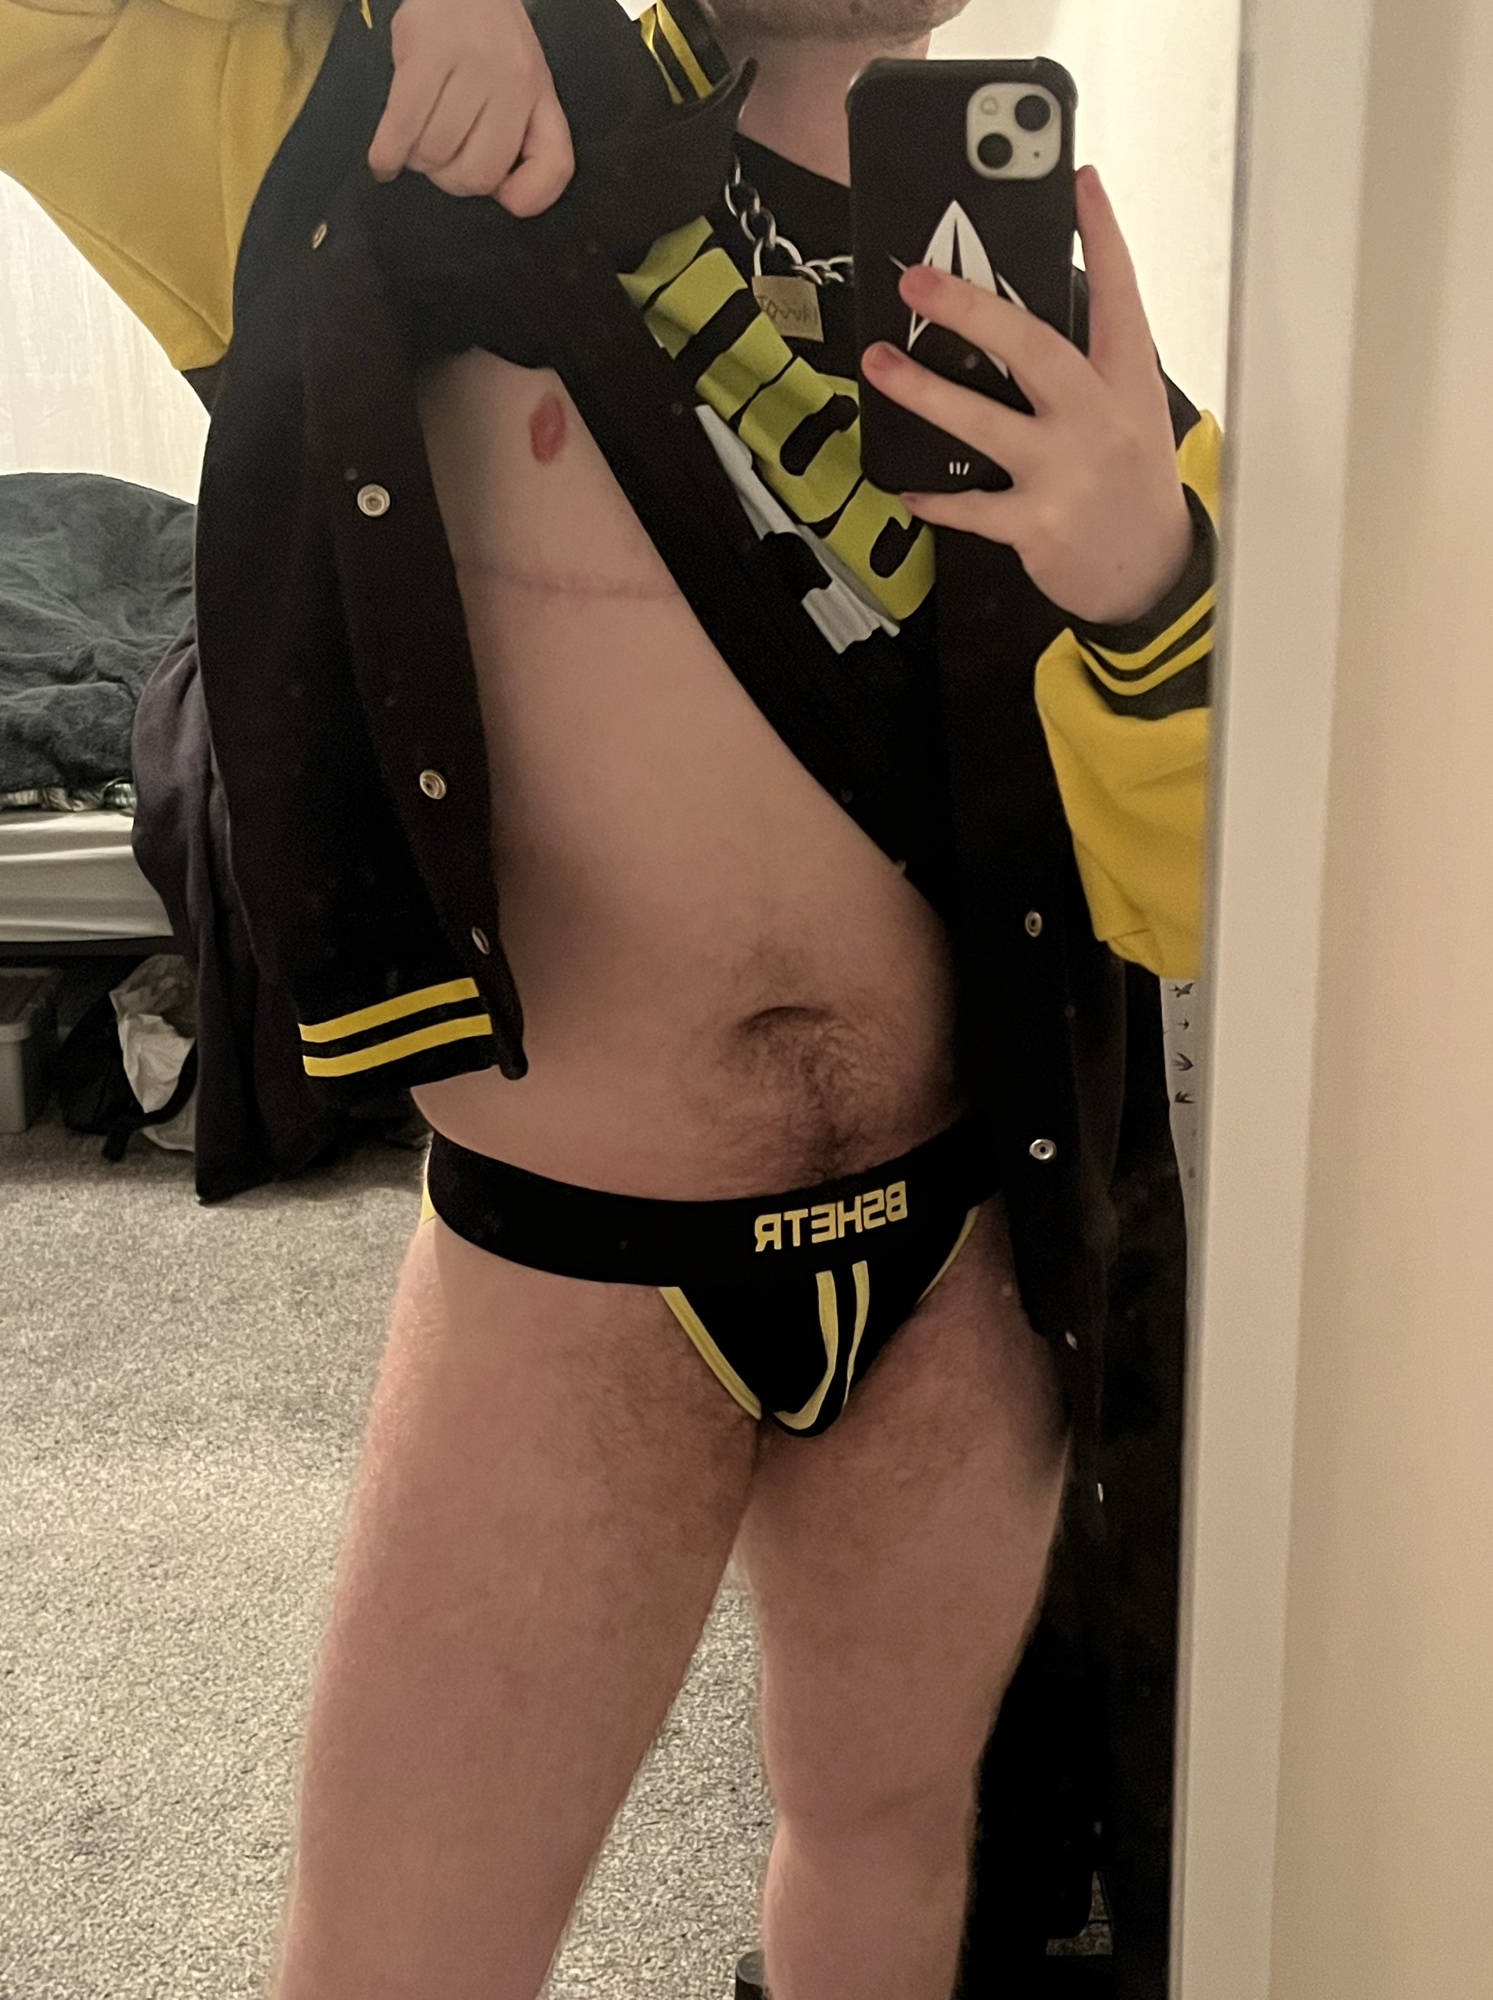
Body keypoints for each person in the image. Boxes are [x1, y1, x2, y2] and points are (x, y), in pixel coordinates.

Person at [0, 0, 1219, 1993]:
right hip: (572, 1281)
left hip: (958, 1251)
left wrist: (1150, 587)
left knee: (890, 1844)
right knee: (397, 1961)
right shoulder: (366, 120)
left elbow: (1199, 894)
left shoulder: (1054, 300)